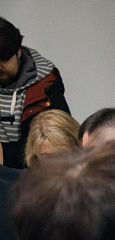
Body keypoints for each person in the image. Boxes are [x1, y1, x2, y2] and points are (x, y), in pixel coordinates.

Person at [0, 16, 70, 168]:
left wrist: (4, 154)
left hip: (30, 176)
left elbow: (58, 141)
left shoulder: (45, 83)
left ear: (18, 51)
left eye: (2, 59)